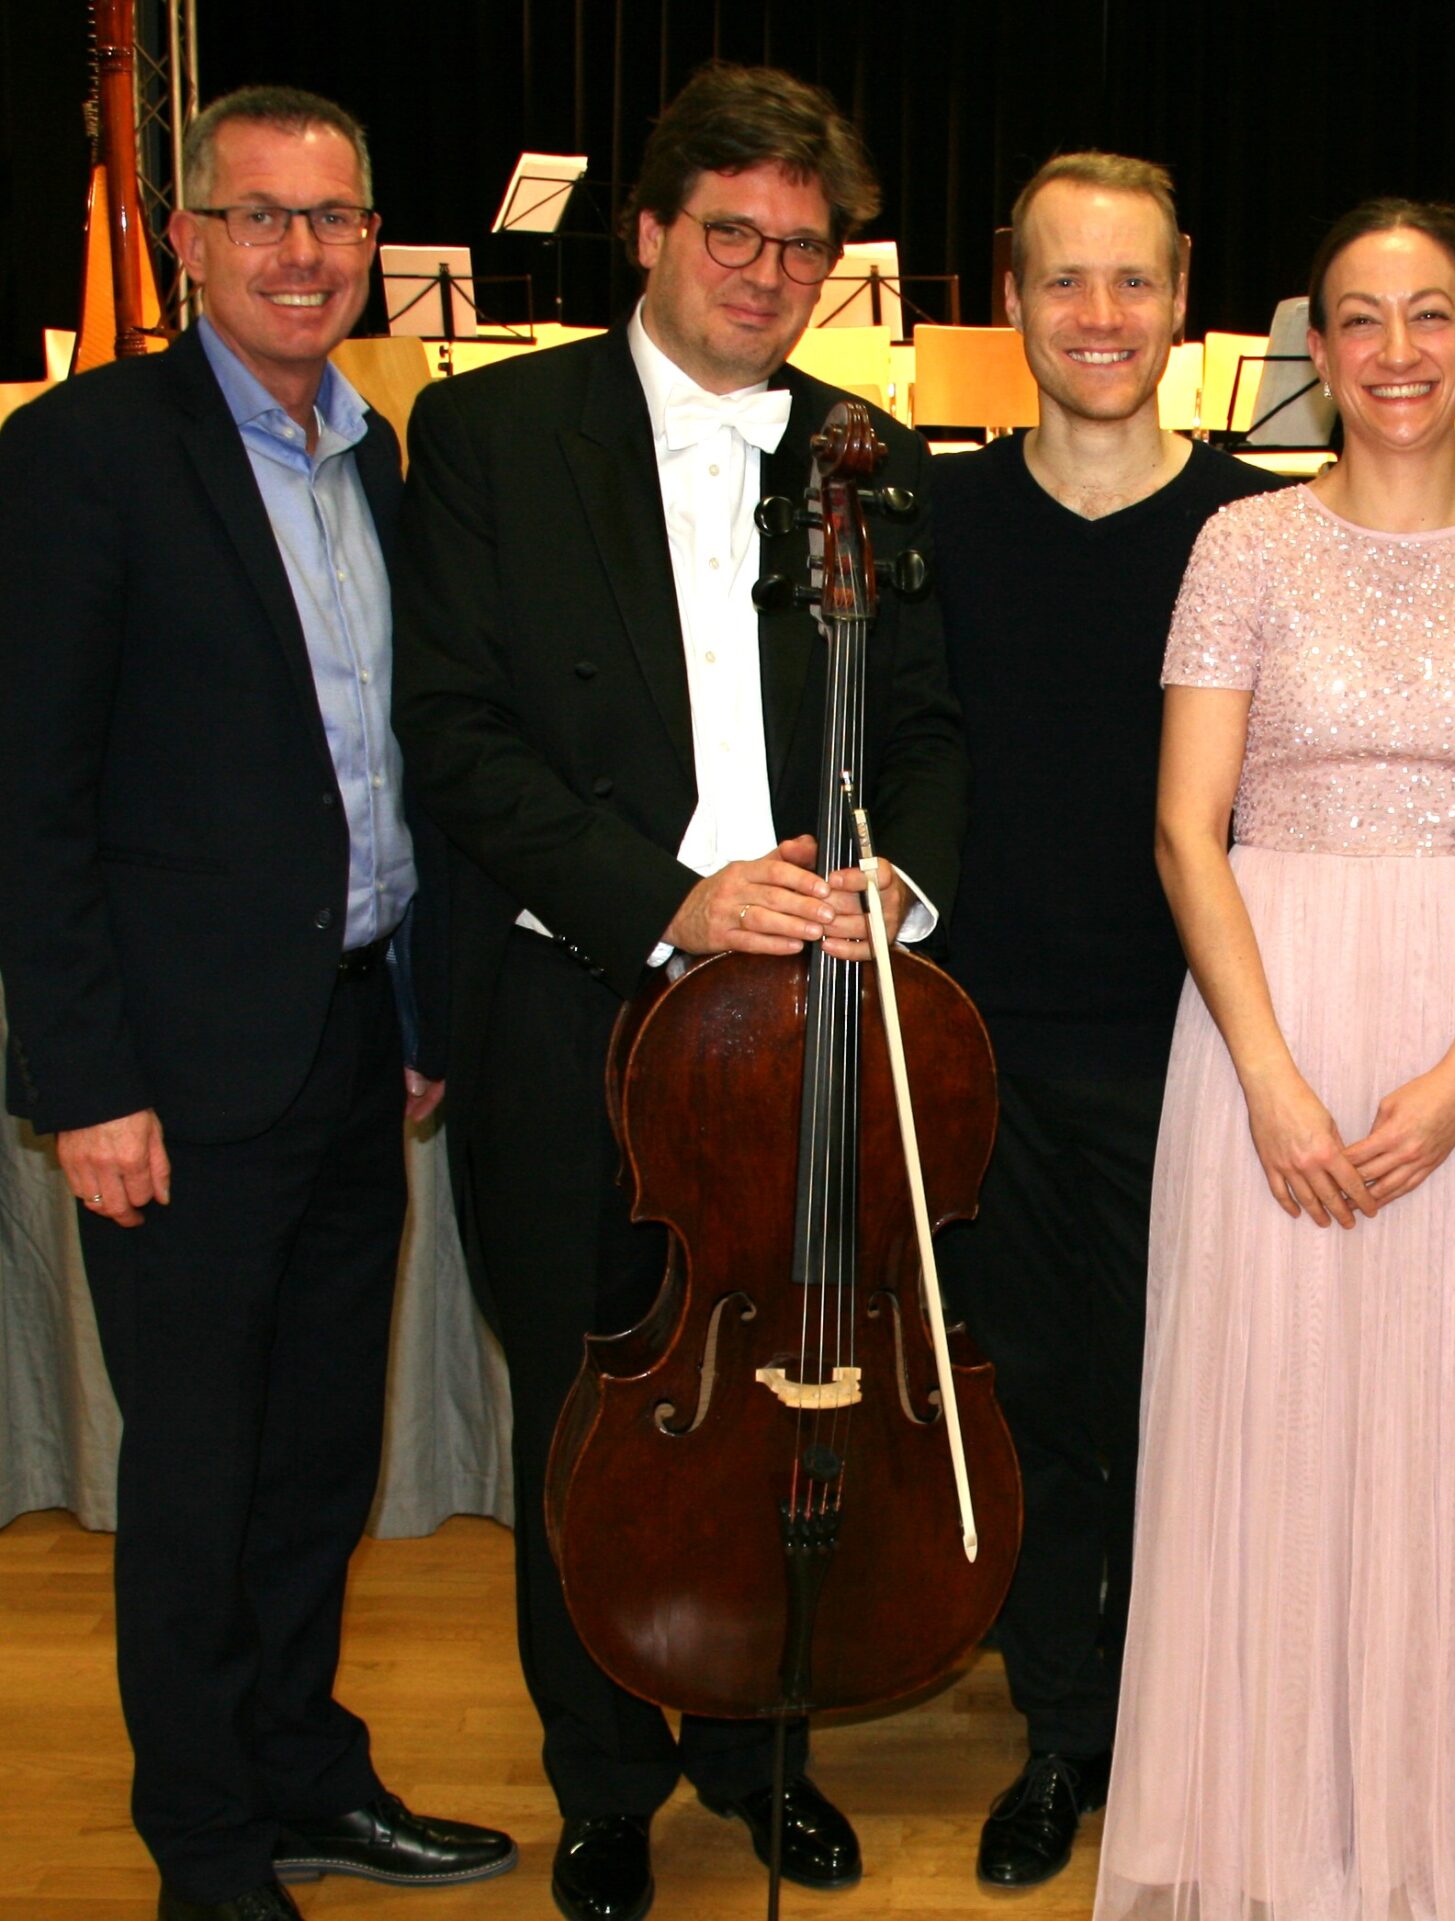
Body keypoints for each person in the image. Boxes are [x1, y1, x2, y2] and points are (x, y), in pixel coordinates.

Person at [392, 62, 963, 1921]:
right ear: (646, 231)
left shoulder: (865, 449)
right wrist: (670, 901)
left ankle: (754, 1743)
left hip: (803, 1021)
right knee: (593, 1400)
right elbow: (456, 738)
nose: (768, 273)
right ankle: (603, 1776)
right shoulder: (488, 432)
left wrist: (893, 876)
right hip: (581, 999)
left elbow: (929, 730)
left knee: (777, 1389)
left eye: (804, 247)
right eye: (734, 233)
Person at [0, 86, 514, 1921]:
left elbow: (400, 764)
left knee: (313, 1466)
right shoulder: (82, 455)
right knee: (198, 1487)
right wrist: (86, 1084)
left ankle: (305, 1773)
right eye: (263, 217)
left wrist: (424, 1011)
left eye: (336, 218)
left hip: (356, 1045)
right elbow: (34, 799)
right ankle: (206, 1847)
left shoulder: (380, 457)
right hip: (177, 1078)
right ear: (190, 239)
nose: (305, 253)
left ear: (375, 238)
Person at [1096, 198, 1455, 1921]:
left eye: (1430, 313)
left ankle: (1428, 1847)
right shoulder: (1241, 545)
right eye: (1362, 318)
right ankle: (1264, 1837)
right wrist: (1271, 1077)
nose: (1397, 350)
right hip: (1269, 1020)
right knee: (1267, 1427)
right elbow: (1187, 828)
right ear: (1316, 348)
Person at [929, 152, 1291, 1888]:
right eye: (1063, 279)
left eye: (1132, 280)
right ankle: (1063, 1728)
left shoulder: (1260, 529)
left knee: (1183, 1414)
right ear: (1011, 295)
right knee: (1033, 1404)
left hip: (1195, 1046)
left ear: (1183, 294)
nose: (1098, 316)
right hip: (983, 1046)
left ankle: (1167, 1724)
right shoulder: (933, 524)